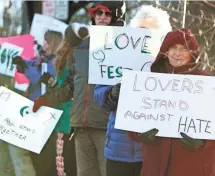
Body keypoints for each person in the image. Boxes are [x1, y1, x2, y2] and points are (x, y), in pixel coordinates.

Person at [31, 1, 126, 176]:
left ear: (117, 16)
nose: (102, 18)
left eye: (107, 14)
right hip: (81, 126)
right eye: (98, 13)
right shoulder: (82, 47)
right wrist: (47, 99)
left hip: (108, 128)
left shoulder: (128, 46)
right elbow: (70, 86)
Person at [94, 5, 172, 176]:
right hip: (119, 150)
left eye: (149, 31)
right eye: (140, 30)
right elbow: (100, 97)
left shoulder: (167, 67)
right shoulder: (116, 59)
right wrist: (113, 93)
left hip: (153, 150)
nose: (143, 36)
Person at [129, 28, 215, 176]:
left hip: (193, 165)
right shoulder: (148, 82)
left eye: (184, 49)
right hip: (156, 163)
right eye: (173, 48)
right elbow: (131, 117)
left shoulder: (207, 83)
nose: (177, 53)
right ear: (166, 52)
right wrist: (138, 134)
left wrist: (204, 142)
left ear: (192, 53)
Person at [14, 30, 76, 176]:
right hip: (37, 110)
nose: (44, 44)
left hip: (53, 117)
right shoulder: (43, 59)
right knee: (36, 153)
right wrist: (22, 64)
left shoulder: (58, 63)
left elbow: (39, 77)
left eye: (47, 41)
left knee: (51, 160)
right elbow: (33, 68)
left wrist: (27, 69)